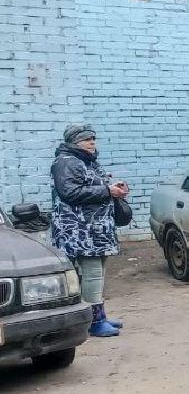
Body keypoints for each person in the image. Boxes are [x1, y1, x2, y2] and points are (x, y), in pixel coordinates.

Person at [50, 124, 128, 338]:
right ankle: (94, 321)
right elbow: (70, 192)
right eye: (87, 139)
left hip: (95, 229)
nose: (92, 142)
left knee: (98, 271)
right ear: (74, 142)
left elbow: (90, 185)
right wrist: (106, 190)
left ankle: (98, 315)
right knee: (92, 272)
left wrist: (114, 187)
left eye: (93, 138)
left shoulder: (87, 161)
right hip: (78, 230)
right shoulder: (66, 162)